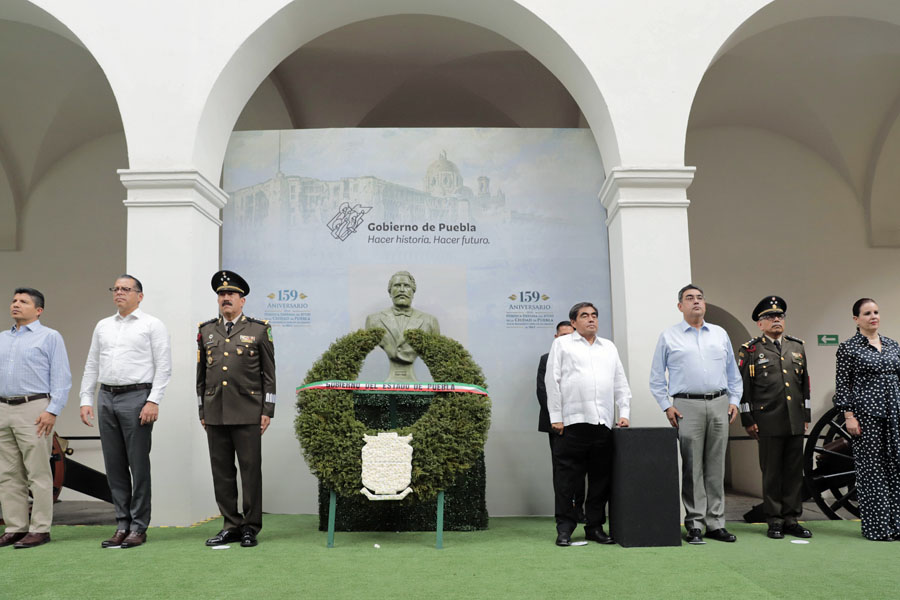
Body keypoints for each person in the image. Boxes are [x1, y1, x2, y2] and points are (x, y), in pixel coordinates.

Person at [80, 275, 171, 549]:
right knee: (114, 466)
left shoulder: (152, 325)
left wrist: (153, 400)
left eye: (126, 289)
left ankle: (139, 526)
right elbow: (92, 363)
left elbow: (163, 366)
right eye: (116, 289)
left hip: (137, 397)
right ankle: (121, 523)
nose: (119, 293)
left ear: (139, 296)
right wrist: (86, 398)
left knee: (138, 465)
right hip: (106, 396)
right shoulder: (103, 326)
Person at [649, 284, 742, 544]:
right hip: (686, 405)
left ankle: (716, 523)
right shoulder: (669, 336)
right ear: (680, 306)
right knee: (692, 466)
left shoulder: (720, 334)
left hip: (719, 403)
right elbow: (656, 377)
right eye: (689, 298)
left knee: (715, 465)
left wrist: (734, 400)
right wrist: (666, 405)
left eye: (700, 298)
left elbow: (733, 373)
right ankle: (694, 524)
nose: (696, 302)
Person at [198, 270, 275, 548]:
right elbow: (201, 375)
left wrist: (268, 409)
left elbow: (269, 375)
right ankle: (231, 524)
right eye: (221, 294)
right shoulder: (206, 330)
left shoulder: (258, 330)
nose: (225, 298)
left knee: (250, 471)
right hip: (215, 411)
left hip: (248, 411)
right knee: (222, 472)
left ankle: (250, 527)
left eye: (231, 294)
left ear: (242, 300)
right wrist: (202, 411)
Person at [545, 302, 631, 546]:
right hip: (571, 424)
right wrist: (556, 417)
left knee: (600, 481)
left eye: (594, 315)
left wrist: (623, 412)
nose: (591, 319)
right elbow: (553, 381)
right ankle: (565, 528)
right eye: (584, 316)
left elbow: (620, 383)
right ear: (573, 322)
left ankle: (594, 527)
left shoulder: (609, 348)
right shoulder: (562, 344)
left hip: (602, 424)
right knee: (567, 482)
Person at [0, 288, 71, 549]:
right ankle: (15, 528)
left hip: (35, 409)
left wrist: (52, 410)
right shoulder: (2, 339)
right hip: (3, 409)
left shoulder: (50, 337)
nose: (16, 304)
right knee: (7, 474)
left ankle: (40, 529)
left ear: (38, 310)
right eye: (14, 300)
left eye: (23, 302)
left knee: (38, 472)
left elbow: (62, 378)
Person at [737, 296, 812, 539]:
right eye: (770, 317)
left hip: (794, 419)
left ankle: (792, 518)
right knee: (771, 473)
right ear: (760, 324)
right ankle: (774, 520)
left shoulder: (797, 346)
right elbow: (744, 388)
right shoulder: (751, 349)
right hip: (767, 420)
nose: (776, 319)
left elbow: (804, 385)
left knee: (793, 472)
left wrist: (806, 415)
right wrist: (748, 419)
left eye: (779, 316)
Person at [833, 298, 900, 541]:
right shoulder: (849, 348)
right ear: (856, 319)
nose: (874, 316)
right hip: (866, 416)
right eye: (867, 313)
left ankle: (897, 526)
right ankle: (879, 529)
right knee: (872, 471)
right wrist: (848, 416)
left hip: (894, 415)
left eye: (876, 312)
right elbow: (843, 386)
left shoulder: (893, 346)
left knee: (895, 468)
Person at [536, 320, 584, 521]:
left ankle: (578, 510)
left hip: (581, 421)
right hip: (557, 424)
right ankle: (564, 513)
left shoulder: (583, 356)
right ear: (556, 338)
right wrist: (557, 419)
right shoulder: (546, 359)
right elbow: (543, 391)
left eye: (569, 334)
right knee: (561, 470)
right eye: (561, 335)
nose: (565, 338)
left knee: (581, 469)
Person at [365, 271, 440, 382]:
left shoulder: (429, 321)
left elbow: (437, 356)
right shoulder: (374, 320)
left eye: (406, 286)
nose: (401, 289)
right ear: (390, 292)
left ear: (413, 292)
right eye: (397, 285)